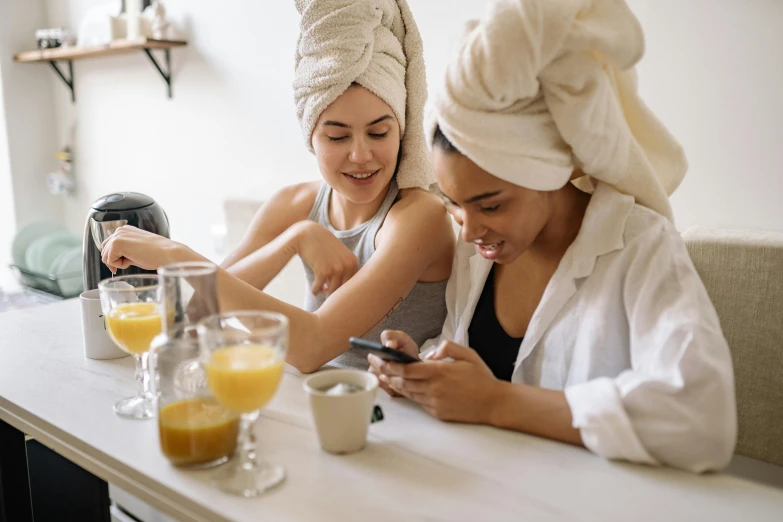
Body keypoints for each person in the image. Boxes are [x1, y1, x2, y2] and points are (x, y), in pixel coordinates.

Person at [369, 0, 736, 473]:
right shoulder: (483, 250)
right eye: (454, 203)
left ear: (550, 172)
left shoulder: (643, 246)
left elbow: (702, 420)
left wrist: (498, 402)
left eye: (491, 204)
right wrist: (424, 374)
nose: (468, 230)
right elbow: (471, 363)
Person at [101, 0, 454, 372]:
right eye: (337, 137)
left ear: (402, 128)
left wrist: (174, 255)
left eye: (379, 132)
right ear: (311, 137)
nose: (361, 155)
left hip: (397, 419)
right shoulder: (294, 204)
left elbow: (311, 346)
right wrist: (294, 238)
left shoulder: (419, 216)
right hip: (318, 403)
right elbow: (201, 312)